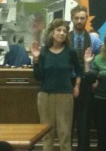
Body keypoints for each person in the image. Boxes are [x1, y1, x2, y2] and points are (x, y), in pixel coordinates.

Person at [31, 18, 82, 151]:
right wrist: (36, 59)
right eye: (58, 30)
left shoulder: (70, 52)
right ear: (52, 33)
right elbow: (38, 77)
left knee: (65, 133)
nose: (62, 33)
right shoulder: (43, 52)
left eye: (64, 31)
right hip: (45, 95)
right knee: (47, 134)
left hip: (65, 95)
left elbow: (79, 70)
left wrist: (77, 85)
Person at [68, 5, 95, 151]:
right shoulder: (65, 38)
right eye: (76, 18)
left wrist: (95, 79)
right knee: (67, 123)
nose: (79, 21)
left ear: (86, 19)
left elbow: (98, 62)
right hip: (67, 84)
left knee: (84, 124)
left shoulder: (93, 40)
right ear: (72, 19)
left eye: (82, 18)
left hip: (85, 85)